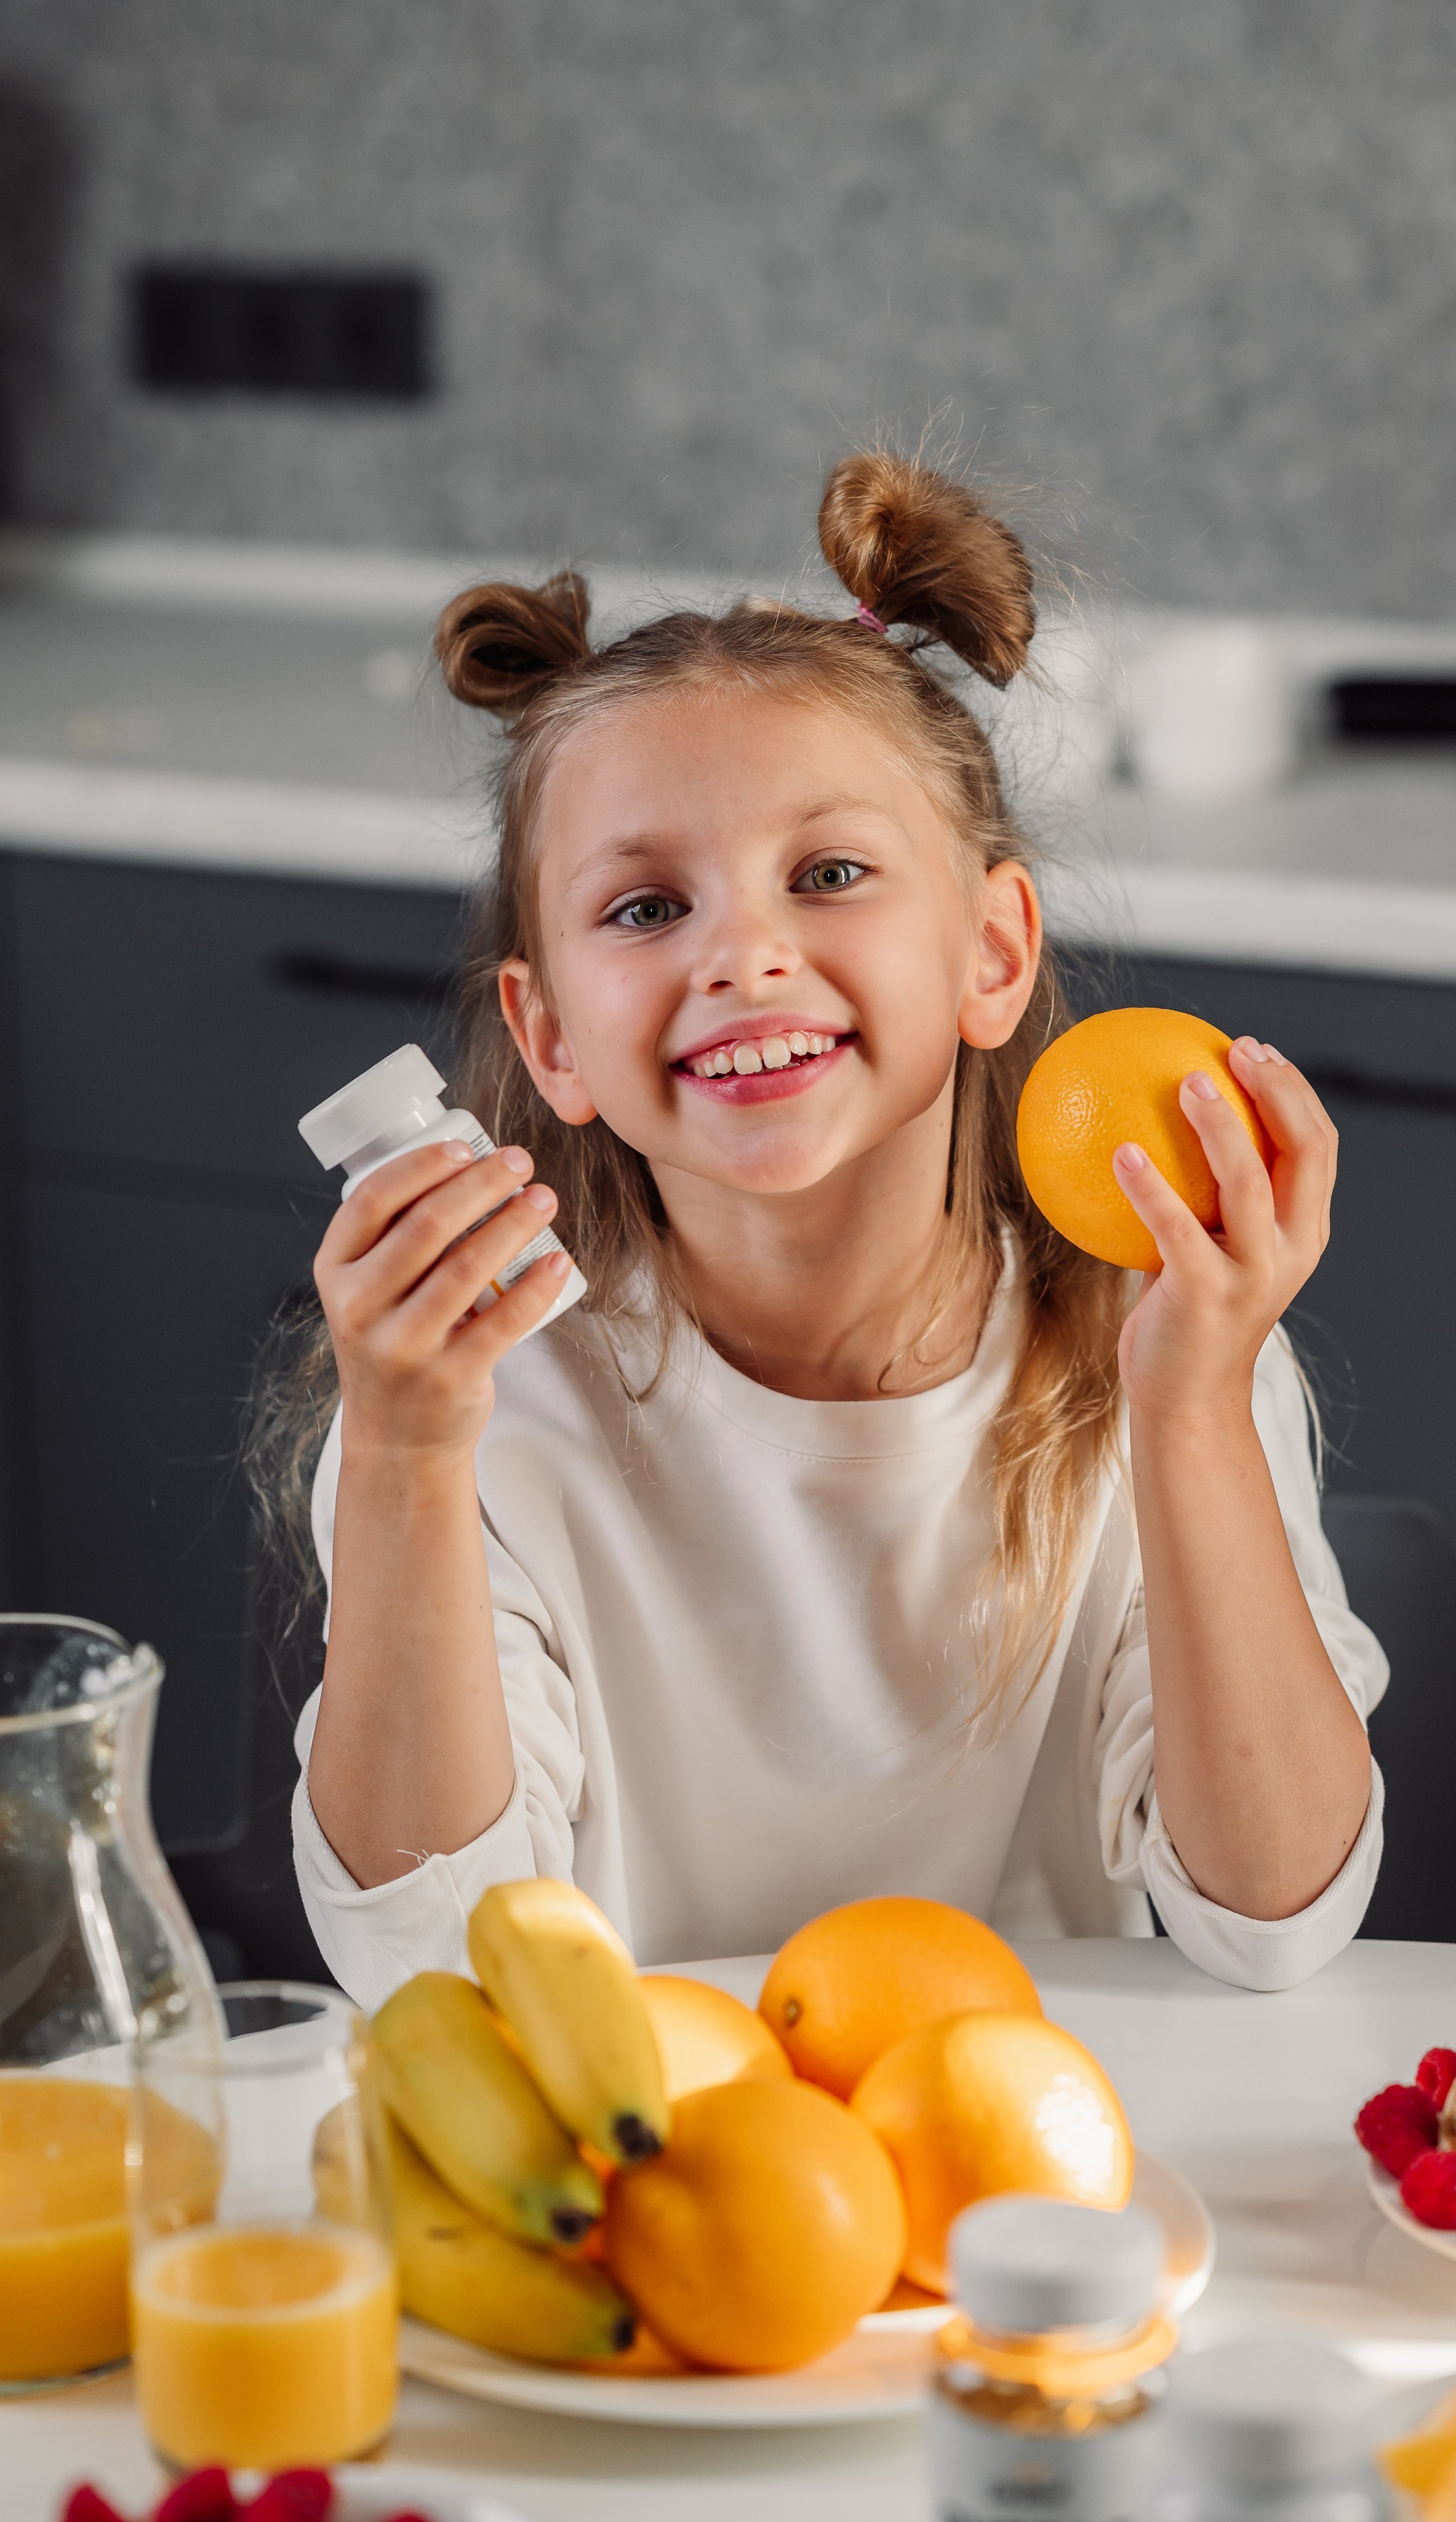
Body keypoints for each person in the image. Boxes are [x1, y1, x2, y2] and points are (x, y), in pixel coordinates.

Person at [282, 452, 1385, 2008]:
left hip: (1035, 2132)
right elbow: (423, 1960)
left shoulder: (1157, 1356)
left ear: (991, 951)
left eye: (830, 874)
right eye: (645, 908)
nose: (744, 954)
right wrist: (402, 1457)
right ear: (549, 1038)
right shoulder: (479, 1403)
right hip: (649, 2137)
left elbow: (1272, 1919)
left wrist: (1194, 1411)